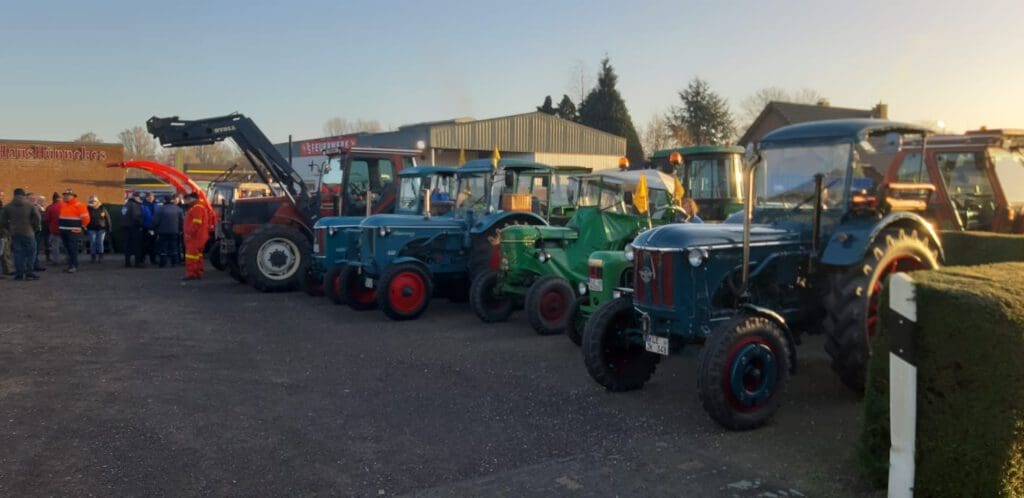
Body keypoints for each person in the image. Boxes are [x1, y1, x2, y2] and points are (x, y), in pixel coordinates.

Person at [0, 188, 42, 280]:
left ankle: (19, 274)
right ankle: (29, 273)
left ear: (14, 195)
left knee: (18, 253)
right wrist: (34, 227)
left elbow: (2, 221)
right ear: (23, 195)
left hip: (15, 233)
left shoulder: (8, 206)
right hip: (29, 232)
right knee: (31, 252)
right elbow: (38, 218)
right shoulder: (30, 205)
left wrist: (9, 229)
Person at [58, 188, 90, 273]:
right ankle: (70, 265)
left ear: (72, 196)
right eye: (64, 195)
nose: (65, 197)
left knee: (72, 249)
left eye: (67, 195)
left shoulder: (79, 205)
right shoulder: (63, 205)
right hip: (64, 231)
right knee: (67, 249)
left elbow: (86, 219)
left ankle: (74, 266)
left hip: (73, 231)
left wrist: (81, 226)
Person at [182, 193, 211, 280]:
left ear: (192, 199)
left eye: (187, 199)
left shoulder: (197, 208)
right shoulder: (199, 207)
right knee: (197, 255)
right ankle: (197, 272)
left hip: (195, 237)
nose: (186, 202)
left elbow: (196, 223)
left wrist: (189, 233)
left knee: (191, 256)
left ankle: (191, 274)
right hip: (198, 236)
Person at [154, 194, 183, 267]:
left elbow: (156, 221)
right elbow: (182, 221)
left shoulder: (160, 209)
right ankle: (174, 263)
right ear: (172, 200)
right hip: (174, 231)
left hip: (162, 231)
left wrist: (155, 229)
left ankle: (162, 263)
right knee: (174, 247)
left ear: (165, 200)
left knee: (163, 247)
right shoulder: (178, 209)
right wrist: (180, 229)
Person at [121, 192, 146, 267]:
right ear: (135, 197)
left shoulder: (126, 205)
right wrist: (141, 225)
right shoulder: (135, 205)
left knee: (127, 246)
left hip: (125, 228)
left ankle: (127, 262)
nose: (141, 199)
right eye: (139, 197)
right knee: (137, 246)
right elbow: (137, 217)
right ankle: (137, 263)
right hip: (134, 228)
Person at [86, 195, 111, 263]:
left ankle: (101, 257)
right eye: (91, 201)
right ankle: (93, 257)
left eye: (94, 201)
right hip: (91, 228)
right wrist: (85, 227)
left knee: (100, 242)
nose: (92, 202)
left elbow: (107, 218)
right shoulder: (88, 209)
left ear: (97, 201)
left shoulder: (102, 208)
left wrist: (108, 227)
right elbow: (85, 218)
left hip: (101, 228)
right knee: (93, 242)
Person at [43, 192, 63, 265]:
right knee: (67, 245)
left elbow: (46, 219)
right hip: (66, 229)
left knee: (55, 246)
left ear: (53, 199)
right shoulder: (66, 206)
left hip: (55, 230)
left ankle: (56, 261)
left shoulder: (50, 207)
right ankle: (69, 260)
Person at [30, 194, 47, 272]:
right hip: (34, 231)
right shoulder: (34, 208)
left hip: (36, 230)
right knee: (34, 249)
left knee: (35, 249)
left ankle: (34, 265)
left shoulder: (37, 207)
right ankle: (33, 265)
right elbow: (38, 220)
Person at [141, 192, 159, 265]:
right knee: (145, 245)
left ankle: (153, 259)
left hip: (154, 228)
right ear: (146, 197)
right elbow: (141, 217)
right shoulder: (142, 206)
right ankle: (142, 259)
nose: (150, 198)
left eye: (152, 197)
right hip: (146, 228)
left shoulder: (156, 205)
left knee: (153, 245)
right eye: (149, 197)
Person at [0, 189, 13, 276]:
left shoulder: (3, 207)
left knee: (5, 252)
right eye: (0, 195)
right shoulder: (2, 208)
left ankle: (7, 269)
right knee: (4, 252)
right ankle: (7, 270)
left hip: (4, 232)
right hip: (3, 233)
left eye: (2, 195)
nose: (2, 197)